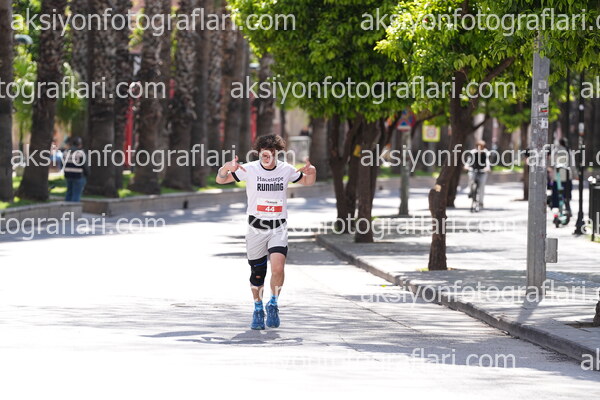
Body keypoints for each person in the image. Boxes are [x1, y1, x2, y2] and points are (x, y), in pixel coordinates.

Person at [216, 135, 316, 330]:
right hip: (255, 228)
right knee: (258, 273)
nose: (267, 158)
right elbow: (221, 180)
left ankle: (273, 304)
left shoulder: (286, 169)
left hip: (278, 227)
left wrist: (312, 172)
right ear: (259, 153)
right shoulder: (249, 169)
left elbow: (307, 182)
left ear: (277, 153)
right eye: (263, 155)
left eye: (270, 154)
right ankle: (257, 308)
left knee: (278, 268)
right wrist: (225, 168)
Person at [465, 140, 491, 208]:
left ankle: (481, 202)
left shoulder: (486, 153)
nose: (479, 148)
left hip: (483, 171)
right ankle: (471, 191)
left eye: (481, 147)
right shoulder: (473, 152)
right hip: (474, 170)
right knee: (471, 178)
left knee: (482, 185)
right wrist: (466, 166)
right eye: (478, 146)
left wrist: (487, 168)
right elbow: (469, 161)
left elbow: (487, 162)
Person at [64, 137, 88, 202]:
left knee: (69, 193)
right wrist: (87, 174)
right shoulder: (81, 153)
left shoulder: (66, 152)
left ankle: (67, 207)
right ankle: (74, 208)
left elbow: (63, 163)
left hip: (68, 175)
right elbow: (85, 165)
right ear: (80, 144)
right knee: (76, 194)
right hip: (78, 175)